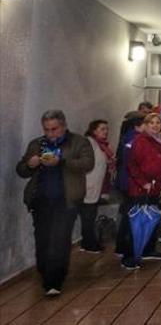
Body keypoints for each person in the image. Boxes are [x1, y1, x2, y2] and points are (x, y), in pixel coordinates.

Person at [17, 110, 95, 296]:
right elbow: (21, 170)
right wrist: (30, 164)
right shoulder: (37, 144)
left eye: (54, 129)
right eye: (47, 130)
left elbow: (87, 164)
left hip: (66, 201)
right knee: (42, 240)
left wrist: (62, 161)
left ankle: (54, 281)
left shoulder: (79, 142)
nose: (51, 134)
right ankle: (45, 273)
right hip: (40, 201)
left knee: (60, 241)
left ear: (64, 125)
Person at [124, 113, 161, 269]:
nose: (155, 125)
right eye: (152, 123)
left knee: (153, 220)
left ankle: (147, 249)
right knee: (136, 223)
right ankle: (131, 256)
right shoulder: (140, 141)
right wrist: (142, 182)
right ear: (146, 124)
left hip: (159, 187)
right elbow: (132, 164)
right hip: (142, 188)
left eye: (158, 123)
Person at [114, 115, 145, 259]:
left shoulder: (128, 138)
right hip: (132, 182)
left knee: (128, 213)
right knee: (131, 215)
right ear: (139, 126)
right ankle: (126, 247)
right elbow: (134, 162)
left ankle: (122, 246)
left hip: (127, 180)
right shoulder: (135, 140)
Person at [81, 119, 113, 253]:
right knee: (88, 215)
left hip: (97, 186)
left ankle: (90, 241)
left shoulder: (103, 145)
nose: (105, 132)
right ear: (94, 130)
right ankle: (88, 243)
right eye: (102, 129)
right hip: (88, 185)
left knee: (91, 214)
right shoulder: (90, 142)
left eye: (106, 129)